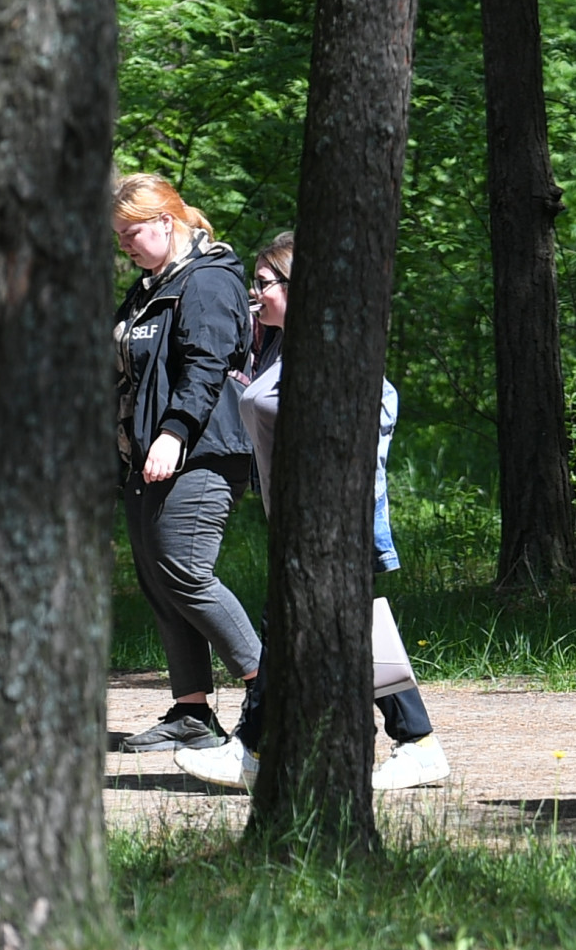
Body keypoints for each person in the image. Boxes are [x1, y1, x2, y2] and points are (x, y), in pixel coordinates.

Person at [174, 234, 452, 795]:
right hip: (298, 519)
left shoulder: (336, 351)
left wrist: (342, 512)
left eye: (265, 283)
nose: (255, 294)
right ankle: (417, 743)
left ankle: (254, 750)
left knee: (291, 624)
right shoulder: (277, 349)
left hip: (340, 520)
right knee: (357, 626)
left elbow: (379, 409)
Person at [108, 172, 263, 754]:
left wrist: (174, 433)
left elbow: (206, 364)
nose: (124, 244)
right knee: (159, 582)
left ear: (166, 222)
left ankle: (271, 687)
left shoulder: (208, 281)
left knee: (186, 571)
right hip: (143, 458)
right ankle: (193, 712)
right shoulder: (150, 286)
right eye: (118, 236)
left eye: (132, 232)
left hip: (199, 451)